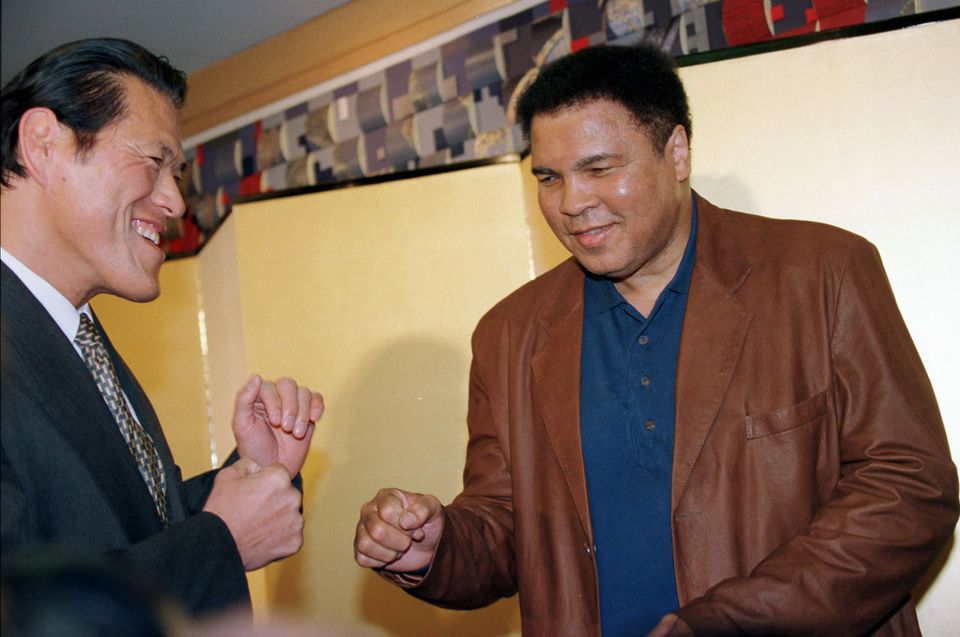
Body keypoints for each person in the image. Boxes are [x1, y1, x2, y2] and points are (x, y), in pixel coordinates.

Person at [353, 43, 958, 635]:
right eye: (548, 178)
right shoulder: (508, 335)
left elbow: (910, 487)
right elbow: (509, 527)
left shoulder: (823, 272)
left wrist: (735, 622)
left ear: (676, 153)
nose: (572, 203)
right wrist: (436, 549)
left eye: (599, 169)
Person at [1, 39, 324, 618]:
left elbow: (109, 527)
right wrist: (219, 542)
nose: (175, 200)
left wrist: (250, 476)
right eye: (154, 162)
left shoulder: (82, 339)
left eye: (175, 173)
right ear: (43, 144)